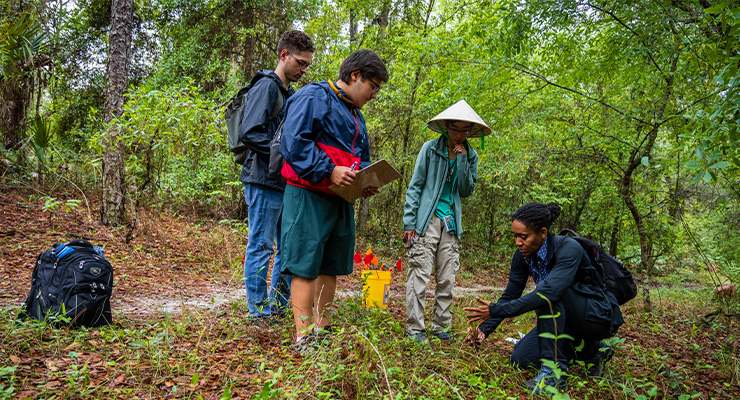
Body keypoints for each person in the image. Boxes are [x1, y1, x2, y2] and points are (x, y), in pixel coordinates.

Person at [278, 49, 389, 350]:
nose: (375, 94)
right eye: (373, 86)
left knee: (330, 263)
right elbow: (293, 141)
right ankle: (303, 335)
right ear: (355, 76)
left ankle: (321, 327)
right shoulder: (315, 96)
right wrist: (328, 170)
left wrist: (367, 180)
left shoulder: (357, 117)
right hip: (309, 193)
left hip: (341, 199)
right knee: (304, 261)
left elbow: (360, 159)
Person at [464, 202, 624, 394]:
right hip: (566, 319)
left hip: (596, 316)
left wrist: (495, 309)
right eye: (515, 236)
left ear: (542, 233)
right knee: (521, 358)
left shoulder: (568, 248)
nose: (518, 242)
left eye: (523, 237)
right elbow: (511, 294)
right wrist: (484, 328)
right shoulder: (523, 256)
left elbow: (550, 292)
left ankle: (553, 374)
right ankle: (593, 351)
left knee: (546, 293)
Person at [239, 30, 315, 324]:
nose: (304, 69)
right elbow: (249, 132)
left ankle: (279, 307)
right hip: (262, 181)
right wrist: (279, 154)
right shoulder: (267, 87)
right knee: (260, 245)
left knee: (288, 248)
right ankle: (258, 312)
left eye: (307, 64)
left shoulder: (290, 94)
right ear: (284, 55)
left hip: (285, 183)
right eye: (300, 62)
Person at [402, 100, 488, 343]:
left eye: (465, 130)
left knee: (447, 277)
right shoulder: (429, 149)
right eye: (455, 129)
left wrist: (462, 160)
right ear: (446, 127)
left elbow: (466, 189)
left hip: (451, 223)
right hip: (425, 221)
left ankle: (441, 327)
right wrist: (409, 221)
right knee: (419, 273)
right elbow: (416, 186)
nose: (460, 135)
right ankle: (415, 330)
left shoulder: (471, 155)